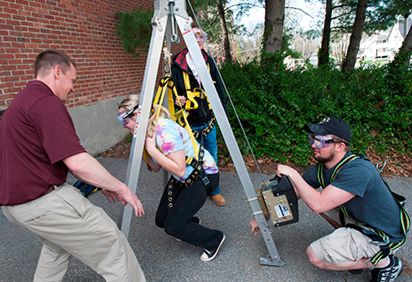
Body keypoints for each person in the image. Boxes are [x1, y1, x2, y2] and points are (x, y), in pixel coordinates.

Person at [0, 50, 146, 282]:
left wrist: (100, 181)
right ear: (57, 72)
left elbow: (41, 157)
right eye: (73, 80)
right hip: (43, 202)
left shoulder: (19, 103)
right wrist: (120, 187)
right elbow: (77, 162)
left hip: (15, 207)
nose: (74, 88)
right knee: (112, 245)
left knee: (57, 249)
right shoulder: (46, 103)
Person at [250, 117, 408, 282]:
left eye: (319, 141)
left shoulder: (358, 171)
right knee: (310, 194)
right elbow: (295, 192)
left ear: (340, 146)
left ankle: (385, 262)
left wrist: (294, 174)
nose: (313, 145)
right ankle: (350, 250)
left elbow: (318, 204)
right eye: (312, 138)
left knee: (316, 256)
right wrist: (262, 217)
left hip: (382, 235)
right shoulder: (323, 168)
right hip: (363, 221)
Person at [117, 95, 225, 262]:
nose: (124, 126)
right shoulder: (149, 131)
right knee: (162, 220)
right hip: (184, 176)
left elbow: (180, 170)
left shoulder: (163, 129)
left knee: (172, 226)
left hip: (203, 177)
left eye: (124, 121)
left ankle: (214, 239)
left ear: (138, 115)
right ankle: (190, 223)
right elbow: (156, 166)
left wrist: (151, 149)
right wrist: (145, 150)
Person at [171, 26, 228, 207]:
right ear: (187, 40)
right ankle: (194, 191)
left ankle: (214, 190)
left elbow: (219, 90)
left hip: (208, 119)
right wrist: (175, 99)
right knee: (192, 158)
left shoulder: (209, 62)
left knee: (212, 155)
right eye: (194, 36)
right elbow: (171, 89)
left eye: (201, 37)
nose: (199, 40)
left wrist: (223, 116)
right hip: (189, 121)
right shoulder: (177, 63)